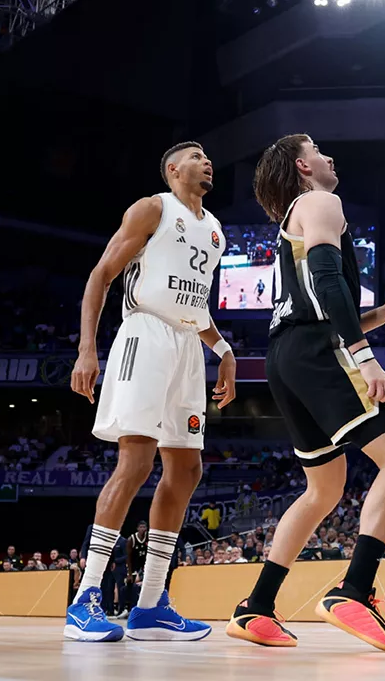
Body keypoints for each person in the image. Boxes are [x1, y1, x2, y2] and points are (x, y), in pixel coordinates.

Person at [227, 134, 385, 653]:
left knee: (323, 490)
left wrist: (384, 314)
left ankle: (255, 607)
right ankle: (353, 591)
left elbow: (312, 303)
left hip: (284, 357)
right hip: (316, 352)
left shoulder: (293, 217)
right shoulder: (321, 200)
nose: (329, 156)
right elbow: (327, 279)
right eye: (317, 150)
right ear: (302, 165)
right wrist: (366, 356)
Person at [66, 142, 236, 643]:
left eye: (209, 157)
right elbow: (101, 274)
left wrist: (222, 349)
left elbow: (193, 302)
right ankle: (86, 598)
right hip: (145, 335)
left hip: (187, 348)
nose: (208, 161)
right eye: (197, 155)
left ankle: (149, 605)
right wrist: (86, 349)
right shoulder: (152, 208)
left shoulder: (216, 230)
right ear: (173, 168)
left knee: (187, 468)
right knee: (136, 462)